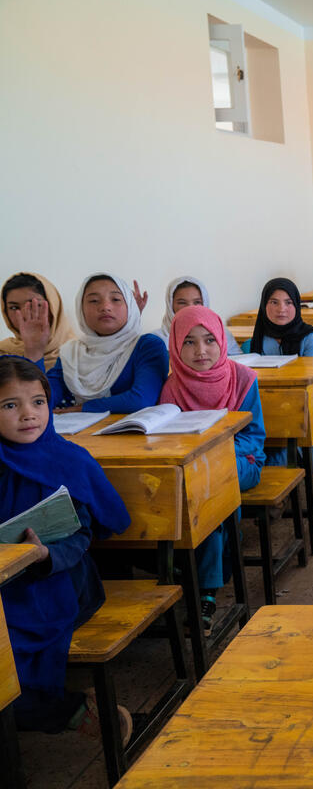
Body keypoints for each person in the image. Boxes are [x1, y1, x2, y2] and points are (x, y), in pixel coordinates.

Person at [0, 356, 133, 737]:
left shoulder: (66, 461)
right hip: (5, 581)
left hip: (58, 579)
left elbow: (81, 537)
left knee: (8, 653)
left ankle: (71, 712)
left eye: (38, 402)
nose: (28, 415)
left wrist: (44, 556)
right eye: (11, 405)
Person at [161, 306, 265, 629]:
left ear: (221, 339)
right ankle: (207, 566)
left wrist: (217, 451)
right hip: (198, 470)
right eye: (189, 342)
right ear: (176, 346)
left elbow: (254, 436)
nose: (201, 351)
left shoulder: (243, 379)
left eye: (208, 340)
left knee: (210, 483)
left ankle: (205, 586)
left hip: (241, 462)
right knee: (199, 485)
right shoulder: (171, 388)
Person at [34, 274, 167, 413]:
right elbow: (43, 398)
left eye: (115, 299)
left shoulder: (147, 346)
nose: (105, 307)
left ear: (130, 306)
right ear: (81, 309)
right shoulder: (71, 353)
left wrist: (80, 409)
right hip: (78, 434)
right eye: (94, 300)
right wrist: (34, 349)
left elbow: (141, 400)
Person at [242, 278, 313, 477]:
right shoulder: (255, 341)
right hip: (268, 403)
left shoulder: (311, 338)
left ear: (296, 306)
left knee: (289, 418)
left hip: (307, 401)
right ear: (264, 306)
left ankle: (281, 470)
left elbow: (309, 382)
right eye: (274, 302)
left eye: (288, 302)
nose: (281, 308)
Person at [1, 273, 74, 369]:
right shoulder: (4, 354)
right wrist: (33, 352)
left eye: (34, 305)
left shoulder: (82, 354)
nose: (24, 314)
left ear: (54, 307)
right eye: (14, 308)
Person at [154, 276, 240, 356]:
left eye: (197, 302)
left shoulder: (222, 334)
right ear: (170, 305)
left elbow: (240, 361)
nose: (190, 308)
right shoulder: (156, 339)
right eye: (182, 303)